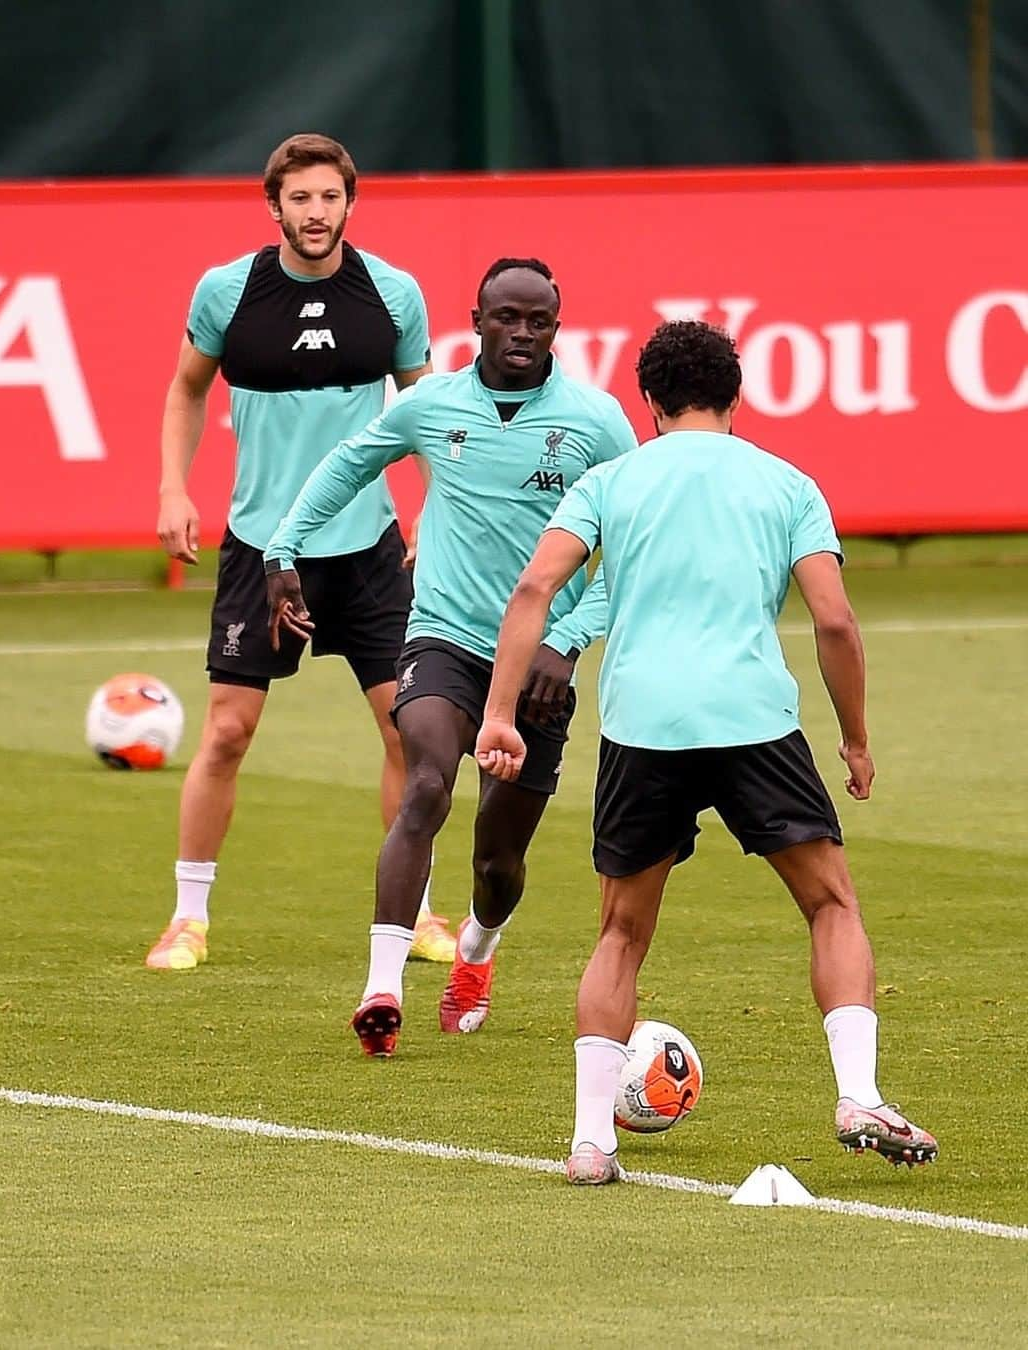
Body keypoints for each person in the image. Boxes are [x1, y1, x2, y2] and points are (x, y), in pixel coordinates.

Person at [475, 319, 938, 1184]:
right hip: (754, 721)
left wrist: (500, 715)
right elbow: (834, 620)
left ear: (648, 403)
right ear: (736, 395)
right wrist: (857, 738)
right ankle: (858, 1093)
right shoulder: (786, 483)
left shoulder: (611, 481)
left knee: (620, 932)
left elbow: (537, 585)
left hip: (643, 727)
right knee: (831, 904)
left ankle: (589, 1145)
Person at [264, 258, 639, 1056]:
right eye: (507, 317)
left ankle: (476, 947)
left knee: (497, 862)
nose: (522, 334)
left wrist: (568, 643)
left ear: (557, 329)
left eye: (538, 321)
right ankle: (382, 988)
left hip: (541, 665)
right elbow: (347, 464)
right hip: (442, 639)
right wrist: (283, 548)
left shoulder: (597, 421)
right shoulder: (431, 404)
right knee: (425, 781)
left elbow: (637, 552)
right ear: (477, 320)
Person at [147, 132, 456, 971]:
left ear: (349, 203)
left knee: (410, 733)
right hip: (262, 547)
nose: (315, 213)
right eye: (300, 199)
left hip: (367, 549)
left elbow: (424, 406)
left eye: (329, 197)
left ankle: (420, 912)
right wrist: (175, 487)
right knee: (228, 733)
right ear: (274, 205)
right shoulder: (227, 292)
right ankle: (188, 917)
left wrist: (434, 502)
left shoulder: (392, 294)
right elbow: (186, 388)